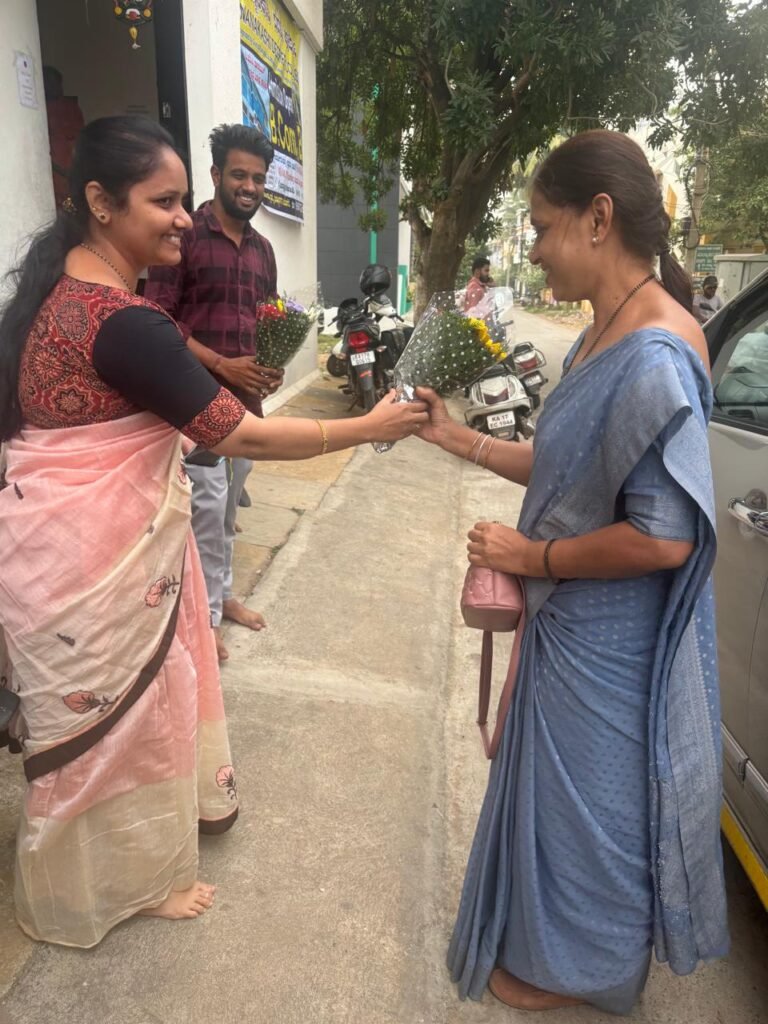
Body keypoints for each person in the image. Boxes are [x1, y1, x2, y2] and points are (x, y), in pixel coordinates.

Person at [0, 116, 426, 949]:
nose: (181, 219)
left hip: (47, 552)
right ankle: (132, 882)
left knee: (81, 724)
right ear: (100, 203)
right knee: (133, 715)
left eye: (182, 200)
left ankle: (88, 875)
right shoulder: (126, 323)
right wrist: (371, 426)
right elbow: (241, 435)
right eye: (163, 202)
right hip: (101, 561)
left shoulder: (47, 299)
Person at [415, 129, 728, 1014]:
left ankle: (589, 974)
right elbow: (569, 470)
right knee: (560, 802)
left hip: (612, 639)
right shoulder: (602, 331)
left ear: (598, 219)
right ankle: (556, 952)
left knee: (598, 812)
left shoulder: (656, 354)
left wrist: (530, 557)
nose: (537, 248)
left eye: (545, 226)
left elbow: (663, 538)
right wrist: (458, 439)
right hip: (572, 625)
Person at [145, 124, 281, 662]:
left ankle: (221, 598)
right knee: (203, 512)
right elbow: (158, 319)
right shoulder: (185, 238)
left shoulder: (263, 250)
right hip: (194, 403)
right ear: (216, 174)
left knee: (226, 514)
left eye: (258, 178)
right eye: (239, 175)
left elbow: (268, 320)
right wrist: (222, 364)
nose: (249, 186)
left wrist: (269, 366)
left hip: (246, 409)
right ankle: (203, 621)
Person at [43, 66, 85, 209]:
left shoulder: (71, 108)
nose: (54, 87)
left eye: (56, 83)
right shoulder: (40, 110)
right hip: (53, 170)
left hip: (73, 165)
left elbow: (80, 135)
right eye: (49, 83)